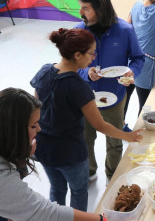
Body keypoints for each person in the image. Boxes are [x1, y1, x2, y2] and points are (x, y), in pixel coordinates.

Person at [0, 88, 105, 221]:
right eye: (33, 126)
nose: (39, 129)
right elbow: (43, 213)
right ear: (13, 132)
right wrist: (101, 219)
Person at [30, 28, 143, 211]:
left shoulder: (45, 71)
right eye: (91, 53)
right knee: (79, 190)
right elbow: (100, 125)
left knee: (57, 189)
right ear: (77, 55)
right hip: (70, 153)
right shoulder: (78, 86)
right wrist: (126, 136)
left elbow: (36, 108)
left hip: (45, 148)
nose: (93, 57)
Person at [75, 0, 145, 181]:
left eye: (85, 8)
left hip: (114, 97)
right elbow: (70, 64)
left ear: (100, 7)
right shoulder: (78, 31)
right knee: (86, 139)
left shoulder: (125, 30)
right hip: (85, 98)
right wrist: (85, 73)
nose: (80, 12)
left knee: (115, 141)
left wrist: (133, 72)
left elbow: (139, 58)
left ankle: (112, 175)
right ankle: (89, 172)